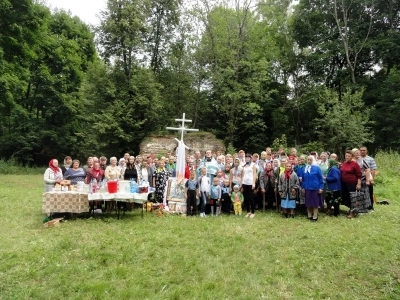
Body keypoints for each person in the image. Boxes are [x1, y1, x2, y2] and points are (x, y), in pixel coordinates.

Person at [340, 150, 362, 218]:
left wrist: (358, 184)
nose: (347, 157)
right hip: (344, 183)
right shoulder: (344, 163)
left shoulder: (354, 164)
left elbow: (359, 175)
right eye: (346, 156)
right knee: (346, 197)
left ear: (352, 157)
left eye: (348, 156)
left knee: (352, 198)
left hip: (352, 183)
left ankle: (352, 212)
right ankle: (351, 209)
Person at [302, 155, 324, 222]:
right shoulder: (305, 168)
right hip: (307, 188)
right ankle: (309, 215)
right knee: (308, 203)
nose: (309, 161)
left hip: (315, 188)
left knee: (315, 203)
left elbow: (321, 179)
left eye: (310, 160)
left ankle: (315, 216)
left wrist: (321, 188)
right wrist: (303, 187)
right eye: (308, 159)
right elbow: (303, 179)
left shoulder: (317, 168)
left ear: (313, 160)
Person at [359, 146, 377, 211]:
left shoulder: (370, 159)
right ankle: (362, 206)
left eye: (364, 150)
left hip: (368, 178)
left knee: (369, 192)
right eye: (361, 150)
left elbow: (373, 170)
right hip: (360, 179)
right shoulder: (358, 159)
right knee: (361, 193)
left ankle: (371, 206)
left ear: (366, 151)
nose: (362, 151)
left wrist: (371, 179)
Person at [241, 153, 257, 218]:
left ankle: (253, 212)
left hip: (250, 183)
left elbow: (254, 174)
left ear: (250, 158)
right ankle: (248, 211)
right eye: (246, 157)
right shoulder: (243, 165)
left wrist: (253, 183)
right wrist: (241, 184)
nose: (247, 158)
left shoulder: (253, 165)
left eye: (248, 157)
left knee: (251, 198)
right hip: (245, 183)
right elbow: (242, 175)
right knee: (246, 198)